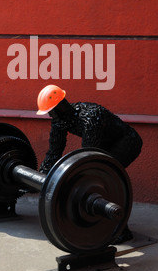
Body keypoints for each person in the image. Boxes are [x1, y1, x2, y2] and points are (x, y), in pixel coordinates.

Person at [36, 84, 143, 243]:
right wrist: (40, 178)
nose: (50, 115)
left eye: (50, 111)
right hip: (106, 144)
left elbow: (87, 158)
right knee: (97, 175)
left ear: (60, 106)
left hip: (127, 141)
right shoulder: (59, 121)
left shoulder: (90, 116)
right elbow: (54, 152)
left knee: (105, 177)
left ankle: (120, 229)